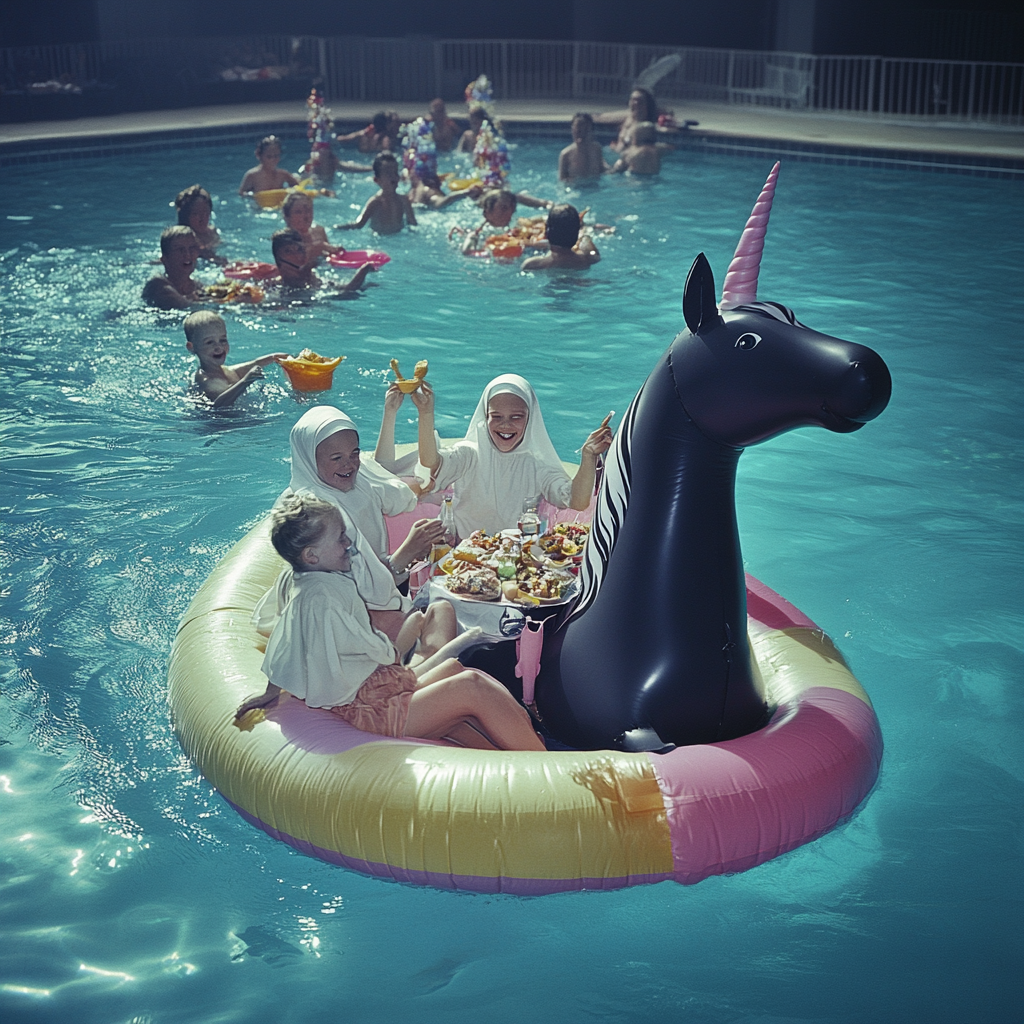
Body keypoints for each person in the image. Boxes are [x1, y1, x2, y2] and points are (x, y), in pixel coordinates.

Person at [234, 494, 546, 751]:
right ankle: (543, 762)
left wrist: (271, 689)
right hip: (370, 710)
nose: (349, 544)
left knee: (455, 673)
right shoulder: (322, 598)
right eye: (341, 538)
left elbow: (286, 641)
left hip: (374, 689)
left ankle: (512, 754)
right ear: (312, 555)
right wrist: (400, 638)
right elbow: (380, 651)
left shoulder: (304, 580)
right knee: (471, 686)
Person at [413, 373, 613, 539]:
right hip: (461, 550)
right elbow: (430, 462)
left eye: (516, 417)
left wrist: (588, 456)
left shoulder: (537, 464)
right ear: (486, 416)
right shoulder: (470, 453)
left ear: (530, 418)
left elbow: (576, 501)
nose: (505, 425)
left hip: (513, 558)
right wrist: (425, 413)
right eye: (496, 417)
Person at [285, 404, 445, 585]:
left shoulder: (359, 478)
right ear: (309, 460)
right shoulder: (312, 512)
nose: (349, 465)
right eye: (337, 458)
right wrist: (407, 552)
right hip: (358, 595)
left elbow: (399, 495)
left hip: (385, 573)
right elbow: (350, 586)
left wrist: (424, 489)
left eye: (355, 453)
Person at [184, 310, 288, 408]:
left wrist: (274, 357)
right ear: (191, 347)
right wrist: (245, 382)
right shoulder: (202, 380)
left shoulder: (227, 371)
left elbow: (254, 363)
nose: (219, 347)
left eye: (223, 340)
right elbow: (217, 405)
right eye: (210, 342)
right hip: (221, 425)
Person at [334, 152, 417, 236]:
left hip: (399, 239)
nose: (393, 176)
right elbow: (359, 224)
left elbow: (413, 224)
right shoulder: (375, 202)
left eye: (395, 172)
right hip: (379, 240)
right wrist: (336, 228)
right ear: (377, 180)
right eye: (388, 173)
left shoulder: (403, 200)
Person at [271, 229, 375, 295]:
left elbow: (346, 288)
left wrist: (363, 271)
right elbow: (346, 294)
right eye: (288, 251)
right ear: (278, 261)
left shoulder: (313, 278)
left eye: (299, 249)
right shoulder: (277, 288)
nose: (297, 255)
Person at [457, 188, 552, 255]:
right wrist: (470, 238)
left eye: (512, 207)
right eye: (503, 208)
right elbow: (467, 252)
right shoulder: (480, 235)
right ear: (487, 212)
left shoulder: (519, 225)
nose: (510, 211)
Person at [520, 204, 600, 272]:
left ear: (546, 232)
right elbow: (594, 254)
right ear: (576, 233)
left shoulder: (533, 265)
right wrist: (585, 237)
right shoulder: (586, 260)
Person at [142, 226, 205, 310]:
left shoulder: (196, 285)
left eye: (192, 248)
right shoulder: (157, 286)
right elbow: (186, 306)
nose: (188, 255)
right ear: (165, 259)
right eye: (180, 249)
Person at [281, 192, 343, 263]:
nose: (305, 216)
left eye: (308, 210)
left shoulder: (319, 231)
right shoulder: (284, 240)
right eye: (298, 212)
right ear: (287, 217)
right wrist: (319, 247)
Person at [595, 87, 658, 152]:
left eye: (640, 101)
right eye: (633, 100)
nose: (635, 103)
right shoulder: (628, 116)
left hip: (630, 159)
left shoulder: (646, 127)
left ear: (647, 104)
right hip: (615, 154)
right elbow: (601, 118)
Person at [174, 185, 223, 263]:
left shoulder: (212, 232)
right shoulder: (183, 238)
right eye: (196, 213)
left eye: (205, 211)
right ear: (185, 216)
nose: (202, 218)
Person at [558, 113, 609, 181]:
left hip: (595, 188)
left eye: (585, 131)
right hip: (575, 189)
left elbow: (602, 170)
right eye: (578, 131)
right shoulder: (566, 154)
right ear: (572, 130)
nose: (581, 135)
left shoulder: (596, 149)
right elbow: (562, 180)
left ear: (590, 131)